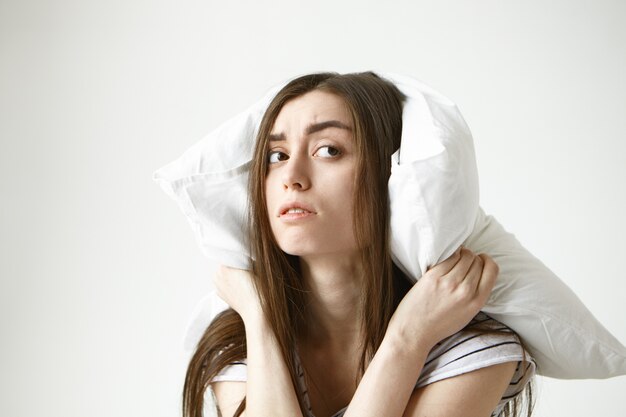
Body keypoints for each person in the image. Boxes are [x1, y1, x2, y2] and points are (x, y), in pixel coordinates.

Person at [182, 72, 535, 417]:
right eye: (277, 156)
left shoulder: (473, 351)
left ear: (391, 176)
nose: (291, 177)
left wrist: (408, 338)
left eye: (328, 150)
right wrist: (258, 316)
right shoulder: (239, 342)